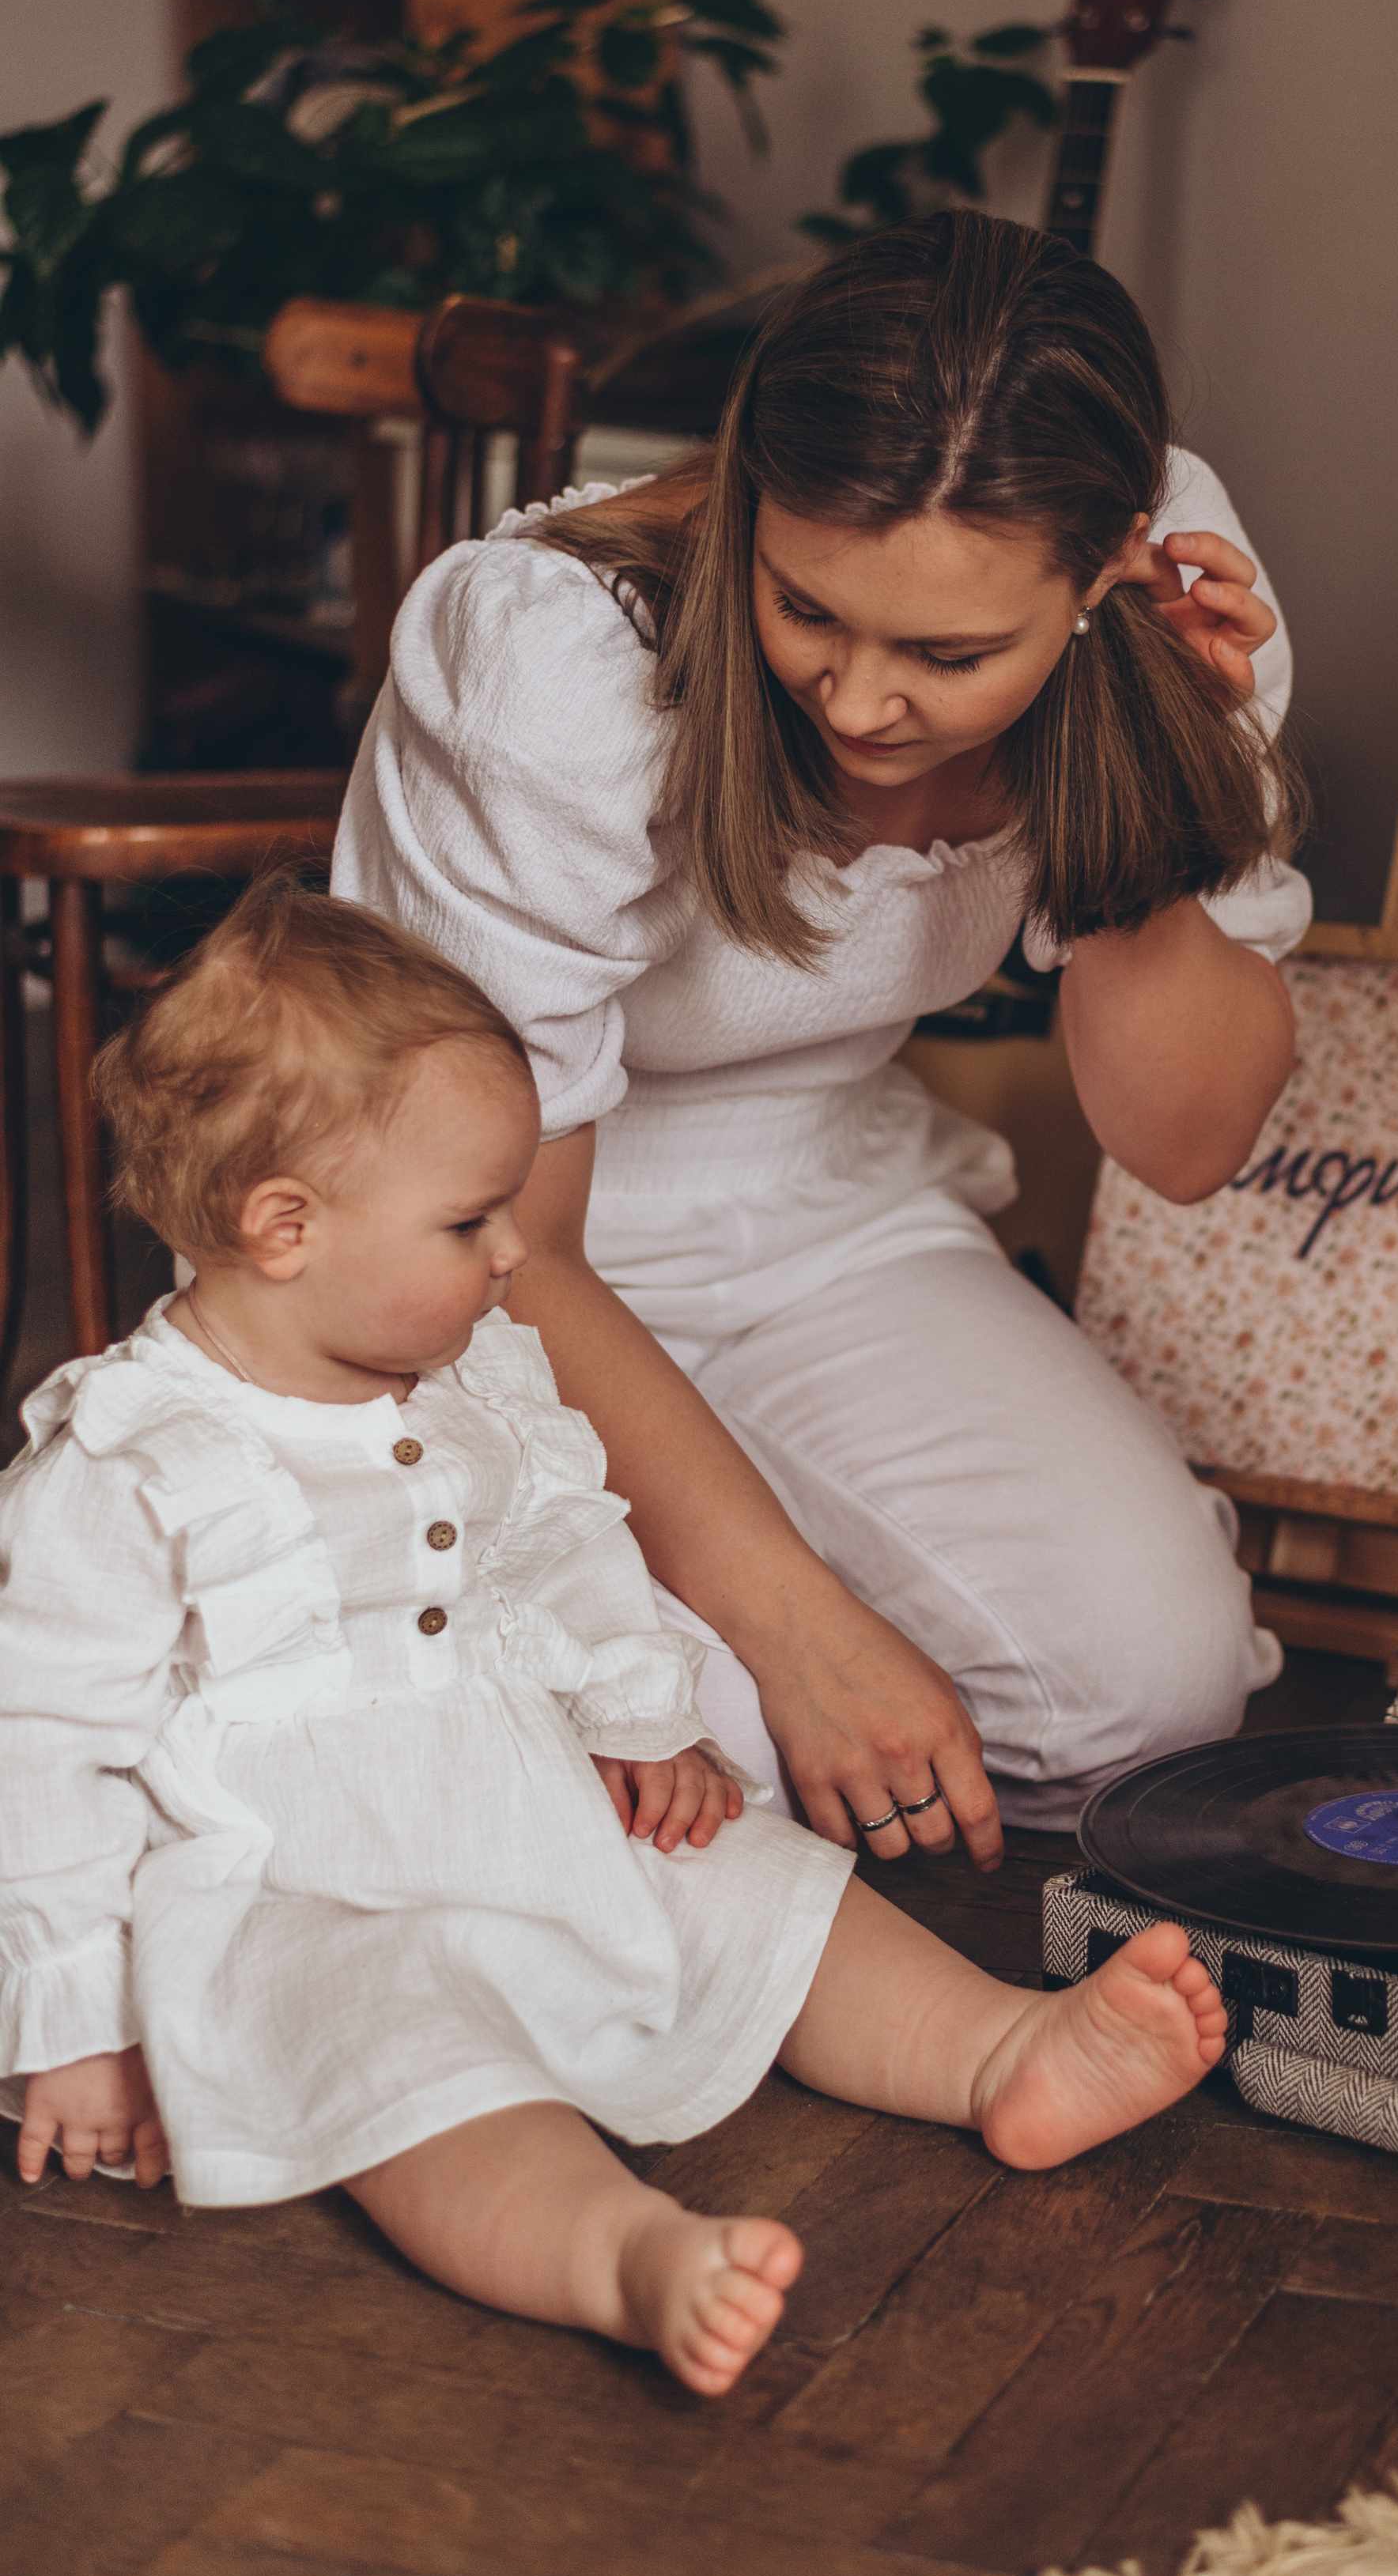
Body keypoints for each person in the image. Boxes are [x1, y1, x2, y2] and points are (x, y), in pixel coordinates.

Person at [0, 883, 1227, 2397]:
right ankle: (620, 2250)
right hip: (302, 1889)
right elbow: (40, 1753)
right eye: (470, 1221)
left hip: (525, 1803)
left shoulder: (470, 1376)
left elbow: (564, 1544)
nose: (517, 1249)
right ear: (285, 1226)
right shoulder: (128, 1462)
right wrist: (72, 2024)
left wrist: (641, 1713)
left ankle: (997, 2051)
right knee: (409, 2048)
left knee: (749, 1881)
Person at [335, 210, 1311, 1867]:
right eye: (806, 609)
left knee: (1144, 1697)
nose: (859, 704)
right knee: (698, 1757)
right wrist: (796, 1621)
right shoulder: (552, 654)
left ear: (1098, 570)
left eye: (949, 654)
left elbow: (1186, 1141)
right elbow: (508, 1241)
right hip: (460, 1254)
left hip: (824, 1197)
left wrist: (1146, 757)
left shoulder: (1172, 572)